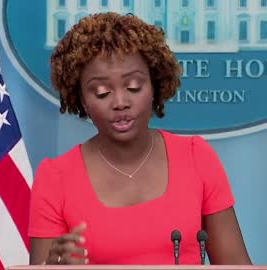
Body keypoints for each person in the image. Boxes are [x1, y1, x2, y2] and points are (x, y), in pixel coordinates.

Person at [28, 12, 252, 266]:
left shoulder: (196, 156)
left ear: (154, 85)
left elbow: (235, 264)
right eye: (102, 92)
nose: (121, 102)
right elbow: (43, 265)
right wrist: (53, 266)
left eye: (134, 86)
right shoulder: (55, 178)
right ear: (81, 100)